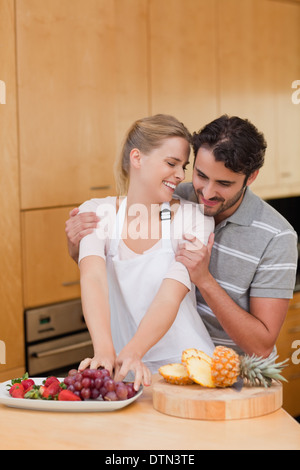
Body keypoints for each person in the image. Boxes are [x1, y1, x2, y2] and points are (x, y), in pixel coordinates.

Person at [66, 115, 298, 361]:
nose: (206, 193)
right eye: (199, 174)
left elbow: (261, 346)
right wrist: (78, 247)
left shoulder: (277, 236)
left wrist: (205, 280)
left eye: (223, 183)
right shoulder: (172, 194)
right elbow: (111, 271)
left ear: (250, 178)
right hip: (165, 362)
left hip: (239, 376)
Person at [74, 114, 215, 391]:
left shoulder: (194, 219)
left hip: (190, 370)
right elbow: (93, 278)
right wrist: (104, 351)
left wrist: (134, 351)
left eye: (183, 167)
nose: (180, 175)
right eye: (171, 163)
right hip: (125, 372)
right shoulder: (97, 212)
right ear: (137, 158)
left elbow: (171, 292)